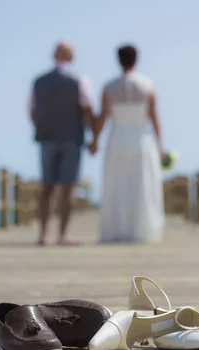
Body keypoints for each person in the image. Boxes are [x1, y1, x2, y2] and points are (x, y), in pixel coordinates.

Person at [89, 44, 166, 243]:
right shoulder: (148, 85)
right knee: (142, 185)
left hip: (117, 138)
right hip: (141, 138)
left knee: (117, 185)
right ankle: (141, 230)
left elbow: (103, 117)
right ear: (136, 59)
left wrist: (95, 140)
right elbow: (154, 118)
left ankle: (117, 229)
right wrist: (160, 146)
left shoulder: (109, 86)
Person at [29, 41, 96, 246]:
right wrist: (94, 135)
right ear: (71, 57)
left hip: (47, 137)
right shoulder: (79, 79)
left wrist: (41, 128)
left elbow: (32, 110)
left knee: (46, 187)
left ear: (53, 56)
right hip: (72, 137)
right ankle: (63, 234)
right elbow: (87, 108)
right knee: (67, 188)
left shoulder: (39, 81)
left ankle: (43, 235)